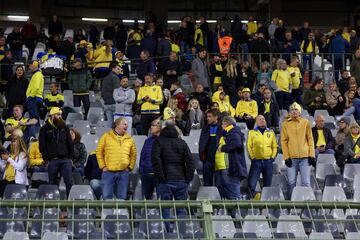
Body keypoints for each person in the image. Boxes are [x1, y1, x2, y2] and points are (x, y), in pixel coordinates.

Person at [151, 121, 195, 228]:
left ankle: (167, 233)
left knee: (165, 208)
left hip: (165, 181)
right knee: (180, 209)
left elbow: (155, 159)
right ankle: (181, 232)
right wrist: (188, 178)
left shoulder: (158, 141)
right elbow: (190, 161)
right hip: (181, 180)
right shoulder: (182, 142)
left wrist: (161, 176)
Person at [96, 117, 136, 200]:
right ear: (117, 125)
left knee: (122, 197)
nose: (127, 126)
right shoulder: (106, 136)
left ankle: (120, 213)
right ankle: (108, 213)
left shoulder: (130, 139)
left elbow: (133, 154)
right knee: (107, 197)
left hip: (124, 172)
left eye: (127, 125)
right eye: (124, 124)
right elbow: (99, 152)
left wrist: (130, 167)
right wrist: (103, 166)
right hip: (108, 172)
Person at [281, 102, 315, 197]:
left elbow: (310, 139)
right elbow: (284, 141)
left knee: (306, 182)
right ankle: (293, 205)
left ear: (299, 112)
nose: (294, 111)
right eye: (292, 110)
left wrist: (311, 154)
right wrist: (286, 157)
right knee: (291, 182)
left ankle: (306, 204)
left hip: (305, 157)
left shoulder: (305, 123)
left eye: (296, 110)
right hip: (291, 157)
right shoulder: (285, 124)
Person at [39, 107, 74, 197]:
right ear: (52, 116)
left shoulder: (64, 127)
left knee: (69, 181)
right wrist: (46, 160)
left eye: (60, 115)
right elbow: (42, 146)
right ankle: (53, 204)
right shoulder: (44, 129)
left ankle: (69, 203)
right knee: (52, 183)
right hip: (52, 160)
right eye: (58, 114)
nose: (60, 116)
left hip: (65, 160)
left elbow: (70, 143)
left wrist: (70, 158)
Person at [217, 116, 247, 199]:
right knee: (230, 195)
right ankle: (233, 212)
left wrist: (223, 148)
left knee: (234, 196)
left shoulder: (233, 132)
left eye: (222, 124)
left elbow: (237, 144)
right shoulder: (230, 132)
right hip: (230, 167)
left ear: (226, 123)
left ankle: (237, 212)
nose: (221, 126)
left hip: (233, 168)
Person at [247, 115, 278, 196]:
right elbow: (249, 146)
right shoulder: (251, 132)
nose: (262, 120)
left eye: (263, 119)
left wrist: (272, 158)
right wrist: (253, 157)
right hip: (256, 161)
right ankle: (252, 200)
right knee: (251, 183)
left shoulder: (271, 133)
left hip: (268, 162)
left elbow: (274, 146)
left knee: (267, 185)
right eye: (260, 119)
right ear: (256, 122)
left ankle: (266, 202)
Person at [199, 109, 222, 186]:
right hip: (207, 161)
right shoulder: (205, 129)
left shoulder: (222, 128)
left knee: (219, 184)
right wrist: (202, 156)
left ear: (216, 117)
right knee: (207, 184)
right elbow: (201, 144)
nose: (207, 118)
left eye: (210, 116)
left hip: (219, 161)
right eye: (207, 116)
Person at [139, 119, 161, 199]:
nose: (151, 127)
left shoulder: (164, 141)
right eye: (151, 125)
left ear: (160, 127)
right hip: (146, 175)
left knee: (161, 200)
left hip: (159, 175)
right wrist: (142, 171)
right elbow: (142, 156)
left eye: (153, 125)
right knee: (145, 200)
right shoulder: (147, 141)